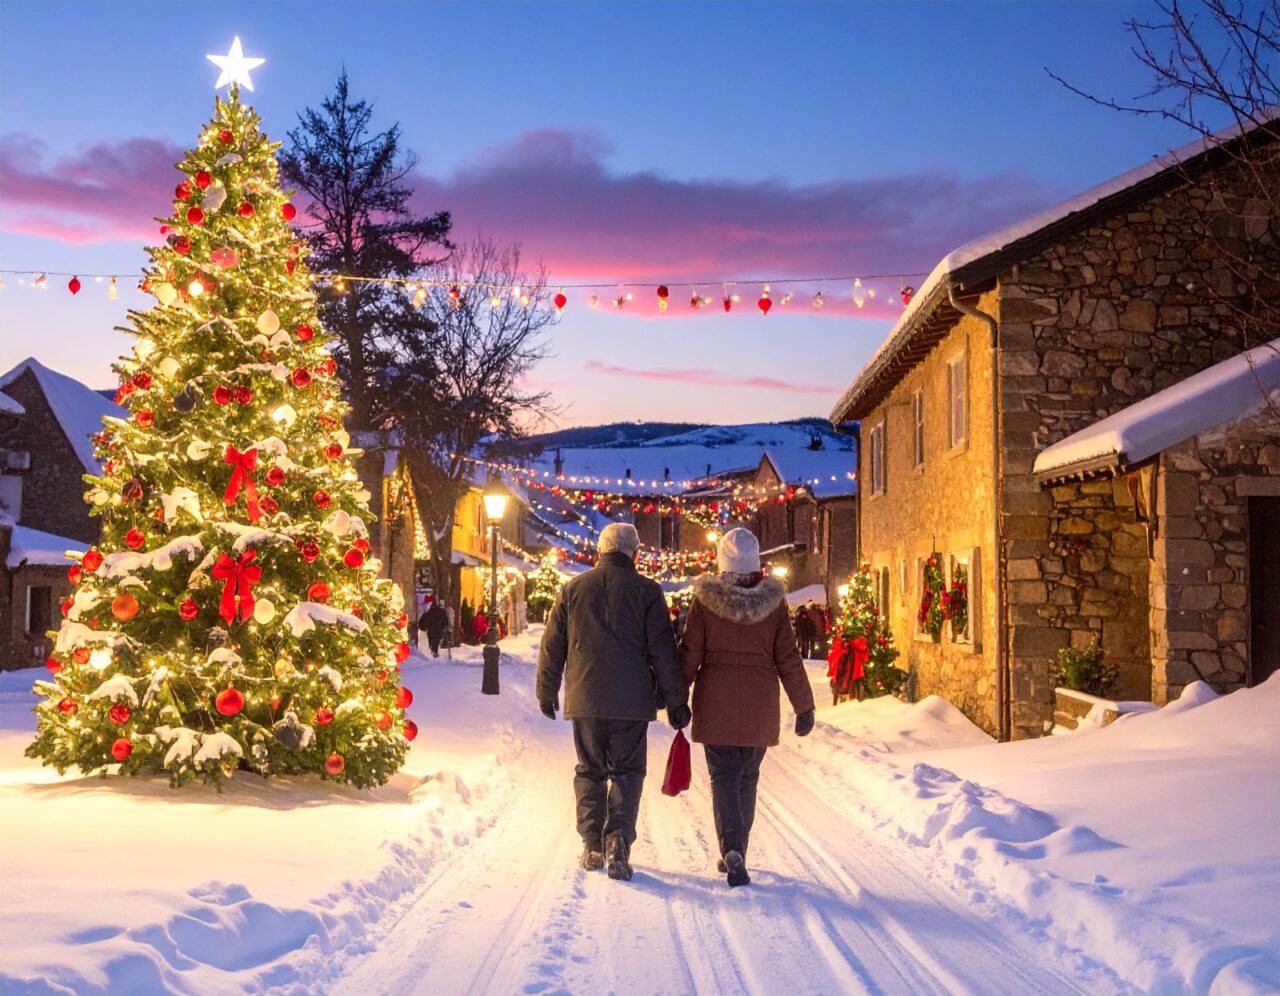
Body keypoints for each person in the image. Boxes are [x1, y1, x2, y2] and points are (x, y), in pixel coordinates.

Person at [537, 522, 690, 881]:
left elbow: (552, 645)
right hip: (632, 701)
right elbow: (663, 652)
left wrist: (546, 691)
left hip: (585, 697)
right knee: (627, 772)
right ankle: (618, 840)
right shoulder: (648, 592)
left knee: (589, 769)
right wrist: (676, 701)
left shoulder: (573, 589)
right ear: (634, 554)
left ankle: (591, 842)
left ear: (599, 553)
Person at [681, 527, 816, 887]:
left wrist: (676, 695)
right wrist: (804, 706)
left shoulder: (705, 602)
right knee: (748, 778)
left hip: (716, 707)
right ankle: (737, 848)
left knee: (723, 777)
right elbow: (788, 657)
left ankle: (731, 848)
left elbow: (690, 654)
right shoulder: (773, 606)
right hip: (760, 708)